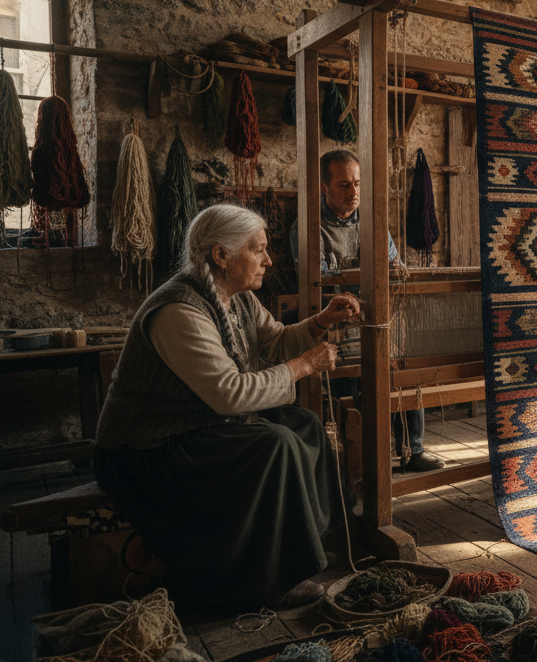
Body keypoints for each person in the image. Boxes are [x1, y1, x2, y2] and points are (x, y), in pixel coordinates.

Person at [94, 204, 360, 610]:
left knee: (303, 424)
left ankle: (311, 546)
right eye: (258, 250)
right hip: (147, 450)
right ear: (221, 256)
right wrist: (303, 366)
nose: (268, 260)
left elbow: (274, 341)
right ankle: (268, 580)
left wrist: (321, 320)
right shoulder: (179, 310)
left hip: (198, 427)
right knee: (274, 444)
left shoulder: (238, 300)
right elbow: (230, 394)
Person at [289, 149, 444, 474]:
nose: (354, 192)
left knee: (400, 360)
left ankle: (411, 449)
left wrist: (388, 272)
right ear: (324, 188)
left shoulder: (374, 225)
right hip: (333, 322)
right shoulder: (308, 227)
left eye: (357, 183)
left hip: (373, 318)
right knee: (357, 367)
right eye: (344, 184)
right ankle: (357, 457)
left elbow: (392, 268)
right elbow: (314, 282)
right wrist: (362, 276)